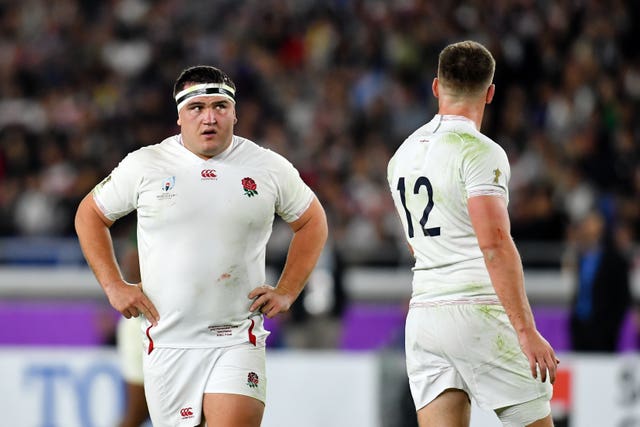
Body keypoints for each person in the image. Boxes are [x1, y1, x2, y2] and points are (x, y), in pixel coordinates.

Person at [75, 65, 328, 427]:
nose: (209, 117)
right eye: (196, 108)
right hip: (169, 343)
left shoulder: (268, 167)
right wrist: (113, 286)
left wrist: (288, 290)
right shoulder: (146, 165)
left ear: (235, 113)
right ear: (179, 116)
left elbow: (312, 222)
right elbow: (89, 215)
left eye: (220, 106)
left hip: (236, 337)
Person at [387, 40, 558, 427]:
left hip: (424, 315)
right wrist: (526, 330)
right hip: (475, 306)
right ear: (491, 92)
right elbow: (494, 243)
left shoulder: (402, 155)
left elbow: (417, 245)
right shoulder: (480, 151)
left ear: (436, 87)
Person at [567, 210, 632, 352]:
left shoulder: (616, 260)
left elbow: (623, 296)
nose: (586, 227)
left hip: (603, 329)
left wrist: (611, 326)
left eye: (591, 222)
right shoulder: (582, 256)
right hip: (581, 325)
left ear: (601, 226)